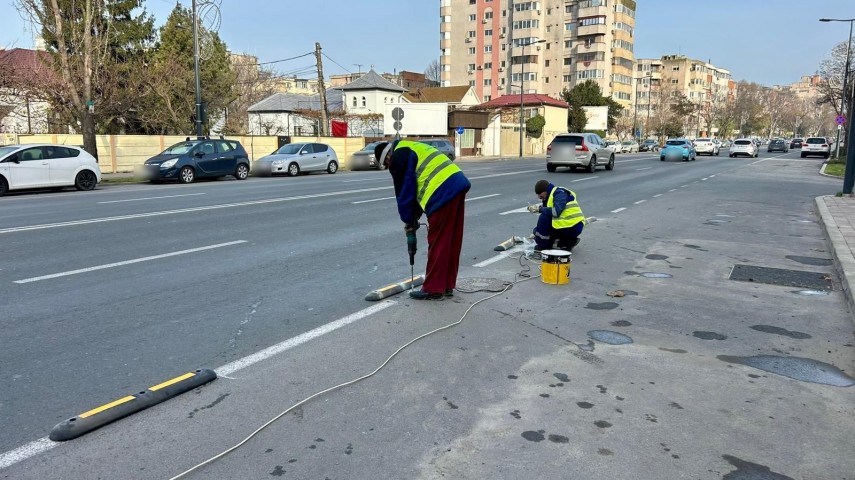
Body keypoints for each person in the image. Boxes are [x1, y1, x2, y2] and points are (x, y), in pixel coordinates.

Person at [375, 139, 471, 300]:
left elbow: (405, 192)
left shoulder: (399, 156)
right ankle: (446, 285)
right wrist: (415, 217)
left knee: (438, 241)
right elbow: (418, 184)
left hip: (442, 190)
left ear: (387, 157)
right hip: (456, 184)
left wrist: (408, 220)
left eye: (387, 165)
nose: (389, 167)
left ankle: (434, 288)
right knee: (451, 239)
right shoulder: (410, 147)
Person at [527, 179, 585, 253]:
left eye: (539, 193)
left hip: (572, 226)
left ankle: (543, 246)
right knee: (542, 226)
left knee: (544, 217)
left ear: (545, 191)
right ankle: (568, 242)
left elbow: (555, 212)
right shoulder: (551, 195)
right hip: (569, 225)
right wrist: (535, 232)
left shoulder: (559, 193)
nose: (539, 197)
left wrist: (540, 209)